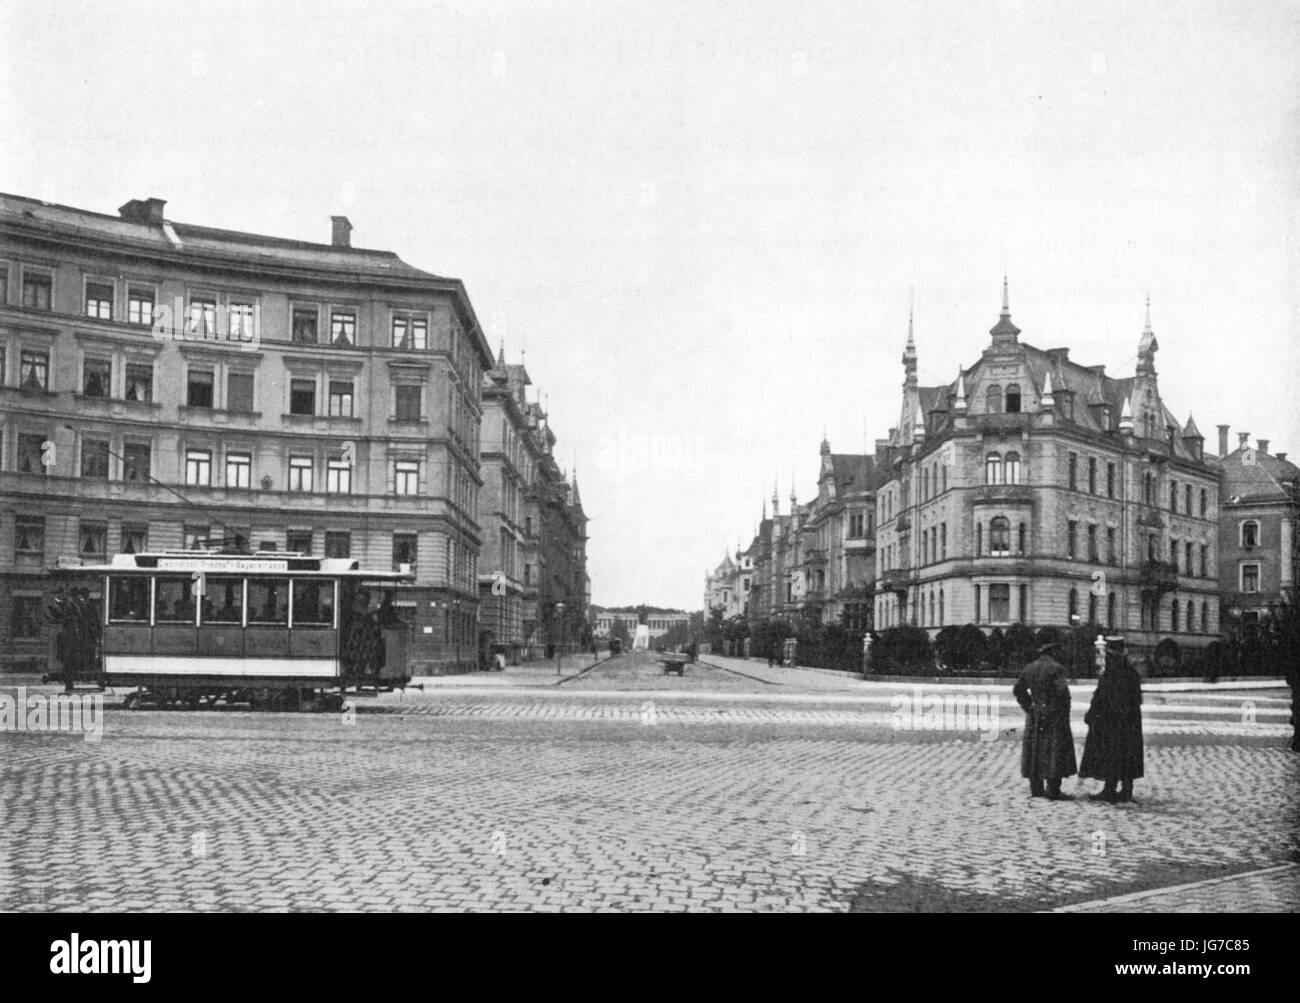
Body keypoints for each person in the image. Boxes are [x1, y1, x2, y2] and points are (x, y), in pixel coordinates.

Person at [1080, 636, 1145, 803]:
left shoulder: (1110, 674)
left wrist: (1091, 714)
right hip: (1129, 722)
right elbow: (1137, 699)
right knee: (1127, 754)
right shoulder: (1132, 672)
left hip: (1111, 722)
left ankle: (1109, 789)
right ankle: (1126, 790)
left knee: (1111, 754)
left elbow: (1100, 697)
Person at [1013, 642, 1078, 800]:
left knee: (1035, 750)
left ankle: (1036, 788)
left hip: (1035, 716)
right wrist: (1062, 712)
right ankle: (1054, 789)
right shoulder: (1057, 669)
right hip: (1054, 716)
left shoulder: (1030, 668)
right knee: (1054, 751)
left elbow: (1018, 690)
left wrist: (1029, 706)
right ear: (1053, 652)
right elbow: (1062, 693)